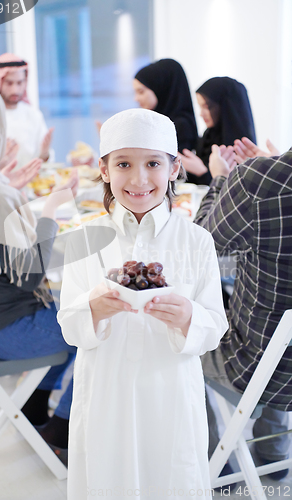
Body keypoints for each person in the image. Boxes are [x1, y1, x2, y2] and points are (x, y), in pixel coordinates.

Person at [57, 108, 228, 498]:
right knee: (106, 478)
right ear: (103, 170)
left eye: (153, 163)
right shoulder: (83, 240)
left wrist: (189, 318)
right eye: (123, 164)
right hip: (105, 390)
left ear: (174, 169)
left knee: (170, 478)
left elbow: (215, 326)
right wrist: (93, 309)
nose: (138, 178)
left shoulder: (196, 241)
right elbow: (69, 325)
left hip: (170, 391)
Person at [0, 75, 79, 464]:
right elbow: (30, 274)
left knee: (72, 311)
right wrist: (50, 210)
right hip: (4, 332)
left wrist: (7, 190)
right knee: (99, 327)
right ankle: (60, 430)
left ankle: (35, 404)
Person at [194, 144, 292, 481]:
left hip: (251, 367)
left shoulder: (258, 180)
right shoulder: (264, 177)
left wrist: (221, 180)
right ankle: (273, 452)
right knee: (281, 334)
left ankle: (212, 462)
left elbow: (200, 247)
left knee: (182, 340)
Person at [181, 76, 257, 185]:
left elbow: (235, 190)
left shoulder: (241, 147)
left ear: (225, 107)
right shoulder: (208, 136)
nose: (201, 114)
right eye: (200, 107)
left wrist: (202, 172)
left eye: (207, 107)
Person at [0, 53, 54, 170]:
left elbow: (45, 163)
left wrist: (44, 155)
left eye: (20, 83)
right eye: (9, 83)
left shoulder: (33, 115)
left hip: (30, 185)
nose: (15, 90)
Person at [133, 58, 198, 156]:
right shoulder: (155, 122)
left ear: (161, 89)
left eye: (141, 92)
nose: (136, 98)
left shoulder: (180, 126)